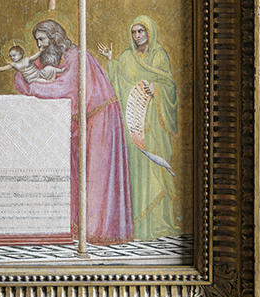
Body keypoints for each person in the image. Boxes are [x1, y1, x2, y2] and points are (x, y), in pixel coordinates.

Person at [10, 18, 133, 244]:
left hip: (100, 118)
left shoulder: (77, 57)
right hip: (84, 119)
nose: (40, 46)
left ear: (54, 37)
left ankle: (99, 230)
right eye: (37, 41)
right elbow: (37, 72)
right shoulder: (61, 56)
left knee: (96, 175)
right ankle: (79, 227)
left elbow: (65, 88)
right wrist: (22, 72)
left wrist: (33, 87)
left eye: (42, 40)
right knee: (78, 173)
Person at [102, 15, 180, 240]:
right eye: (134, 32)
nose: (137, 36)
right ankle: (137, 224)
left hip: (154, 124)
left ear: (150, 32)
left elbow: (170, 86)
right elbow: (120, 85)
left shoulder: (159, 56)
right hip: (134, 124)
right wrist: (111, 63)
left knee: (155, 169)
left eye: (141, 32)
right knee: (136, 171)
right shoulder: (126, 57)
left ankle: (158, 224)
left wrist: (156, 88)